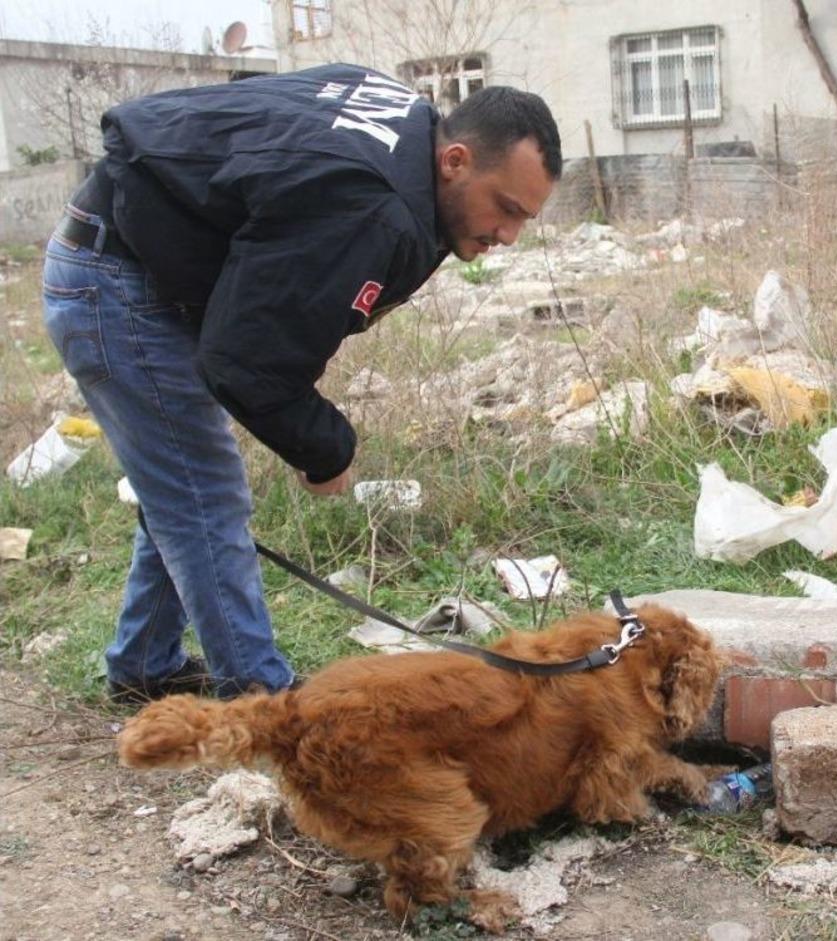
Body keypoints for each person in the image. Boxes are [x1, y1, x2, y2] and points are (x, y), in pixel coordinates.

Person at [41, 64, 562, 701]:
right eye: (505, 209)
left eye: (524, 219)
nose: (508, 235)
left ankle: (144, 665)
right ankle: (264, 705)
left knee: (187, 485)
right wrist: (325, 449)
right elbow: (245, 360)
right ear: (455, 160)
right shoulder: (372, 202)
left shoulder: (407, 131)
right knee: (203, 493)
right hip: (115, 280)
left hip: (135, 255)